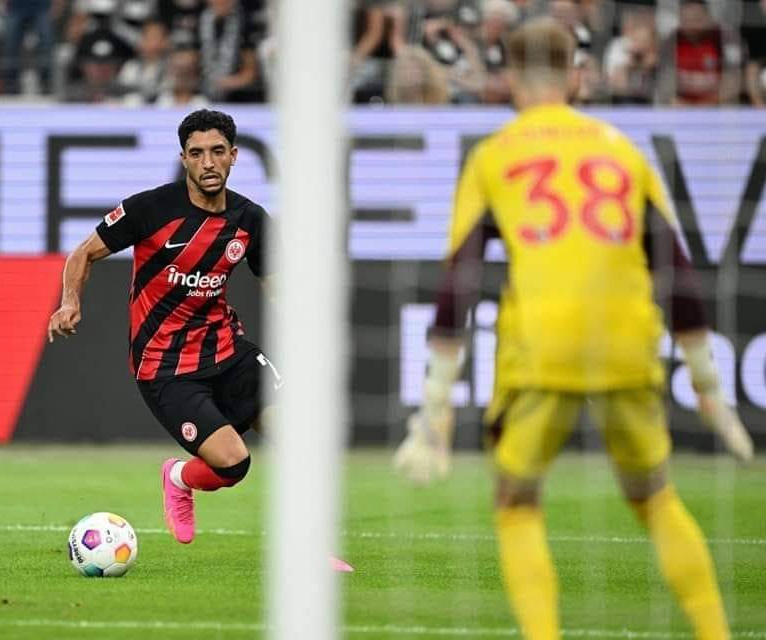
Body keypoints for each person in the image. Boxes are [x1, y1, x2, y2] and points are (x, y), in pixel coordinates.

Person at [395, 17, 753, 640]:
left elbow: (459, 287)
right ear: (578, 76)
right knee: (655, 496)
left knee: (516, 502)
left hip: (541, 351)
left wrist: (434, 413)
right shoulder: (622, 151)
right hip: (627, 343)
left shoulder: (494, 155)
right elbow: (679, 275)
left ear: (508, 78)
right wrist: (709, 389)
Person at [47, 110, 352, 571]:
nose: (208, 162)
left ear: (234, 156)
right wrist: (70, 302)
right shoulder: (151, 209)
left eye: (216, 151)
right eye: (196, 153)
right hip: (165, 367)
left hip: (229, 352)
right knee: (234, 464)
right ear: (184, 159)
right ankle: (179, 477)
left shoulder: (250, 220)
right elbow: (84, 253)